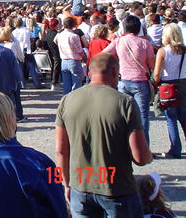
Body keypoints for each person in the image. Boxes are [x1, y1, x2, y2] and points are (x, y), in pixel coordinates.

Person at [55, 53, 152, 218]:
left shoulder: (67, 100)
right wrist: (150, 156)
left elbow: (61, 151)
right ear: (114, 71)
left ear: (88, 72)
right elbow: (140, 158)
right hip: (117, 188)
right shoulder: (125, 103)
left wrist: (65, 184)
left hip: (80, 187)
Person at [102, 15, 155, 143]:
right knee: (142, 117)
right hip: (141, 80)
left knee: (123, 115)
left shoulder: (119, 41)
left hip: (123, 80)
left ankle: (125, 146)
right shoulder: (145, 43)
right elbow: (152, 65)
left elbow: (103, 54)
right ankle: (143, 147)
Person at [152, 23, 186, 158]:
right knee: (184, 117)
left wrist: (156, 82)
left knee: (171, 118)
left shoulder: (163, 51)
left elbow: (156, 74)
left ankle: (175, 148)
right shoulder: (184, 50)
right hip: (183, 83)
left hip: (168, 85)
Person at [54, 17, 86, 95]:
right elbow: (79, 50)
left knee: (66, 85)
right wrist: (84, 57)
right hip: (74, 61)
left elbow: (55, 41)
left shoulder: (59, 35)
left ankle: (66, 102)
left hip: (64, 61)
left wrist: (62, 47)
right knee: (76, 86)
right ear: (73, 25)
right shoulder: (74, 36)